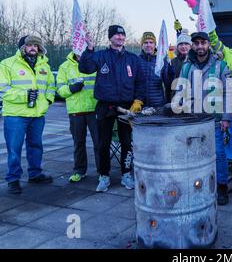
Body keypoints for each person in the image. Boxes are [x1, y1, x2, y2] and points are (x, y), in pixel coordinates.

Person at [79, 25, 145, 192]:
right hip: (105, 106)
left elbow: (140, 82)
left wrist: (138, 101)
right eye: (116, 34)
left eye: (122, 34)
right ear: (110, 38)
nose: (120, 37)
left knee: (127, 143)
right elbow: (85, 68)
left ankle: (126, 174)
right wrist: (89, 48)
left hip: (126, 108)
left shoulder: (133, 59)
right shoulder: (100, 55)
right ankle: (104, 176)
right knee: (103, 143)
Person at [174, 32, 232, 205]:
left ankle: (222, 188)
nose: (200, 46)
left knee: (219, 155)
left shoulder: (221, 65)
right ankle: (197, 186)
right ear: (193, 45)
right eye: (196, 43)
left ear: (208, 44)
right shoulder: (186, 67)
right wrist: (179, 113)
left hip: (214, 120)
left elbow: (228, 93)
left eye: (203, 43)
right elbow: (180, 92)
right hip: (192, 121)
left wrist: (227, 118)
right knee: (194, 156)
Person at [0, 35, 55, 194]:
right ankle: (13, 179)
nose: (33, 48)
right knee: (14, 148)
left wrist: (49, 100)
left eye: (36, 46)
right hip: (15, 115)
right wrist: (24, 96)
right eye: (29, 45)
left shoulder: (44, 65)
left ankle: (35, 174)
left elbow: (51, 85)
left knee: (36, 146)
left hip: (37, 115)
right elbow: (2, 89)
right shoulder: (7, 64)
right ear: (22, 47)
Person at [57, 51, 99, 183]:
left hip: (95, 109)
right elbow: (60, 89)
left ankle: (102, 171)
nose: (81, 51)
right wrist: (71, 88)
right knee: (78, 143)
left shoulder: (96, 62)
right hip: (76, 111)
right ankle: (79, 171)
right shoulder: (65, 66)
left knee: (99, 143)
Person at [139, 32, 174, 107]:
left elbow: (168, 84)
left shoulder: (161, 61)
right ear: (142, 45)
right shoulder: (136, 60)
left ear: (155, 45)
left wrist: (171, 72)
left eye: (151, 42)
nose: (148, 45)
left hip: (158, 105)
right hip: (139, 104)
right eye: (145, 42)